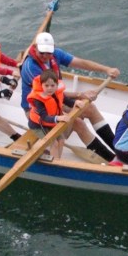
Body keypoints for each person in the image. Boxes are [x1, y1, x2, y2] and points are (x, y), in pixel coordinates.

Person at [19, 31, 119, 161]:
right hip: (38, 108)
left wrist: (106, 69)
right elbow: (51, 92)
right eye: (41, 52)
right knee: (78, 123)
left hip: (55, 100)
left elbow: (81, 63)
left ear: (53, 48)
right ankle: (111, 159)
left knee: (90, 108)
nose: (45, 56)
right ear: (35, 48)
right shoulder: (30, 67)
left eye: (48, 52)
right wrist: (80, 95)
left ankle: (118, 150)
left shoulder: (56, 54)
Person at [25, 70, 83, 161]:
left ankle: (57, 160)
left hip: (51, 123)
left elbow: (66, 100)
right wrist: (58, 118)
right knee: (54, 143)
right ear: (41, 85)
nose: (50, 88)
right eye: (46, 85)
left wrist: (76, 102)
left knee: (61, 140)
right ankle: (55, 162)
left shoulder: (57, 92)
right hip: (38, 126)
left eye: (52, 85)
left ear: (57, 85)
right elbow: (44, 117)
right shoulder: (38, 99)